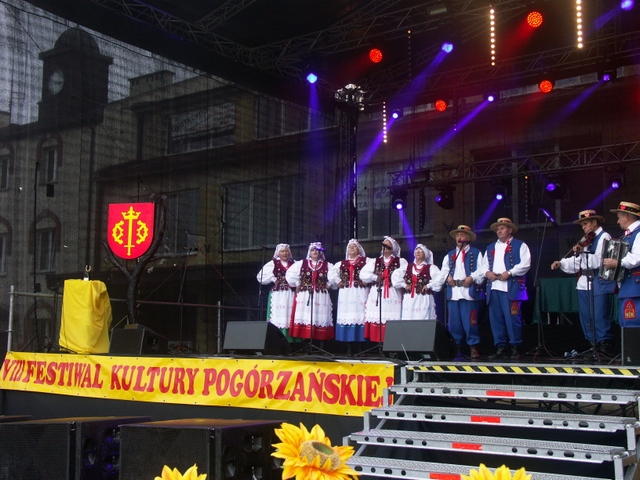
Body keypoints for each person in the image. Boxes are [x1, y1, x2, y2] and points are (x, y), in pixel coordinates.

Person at [551, 210, 615, 355]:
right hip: (584, 281)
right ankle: (593, 344)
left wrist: (581, 252)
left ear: (594, 222)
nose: (583, 227)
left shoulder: (604, 237)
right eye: (582, 225)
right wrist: (562, 263)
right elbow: (578, 261)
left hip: (598, 279)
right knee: (586, 316)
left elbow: (599, 260)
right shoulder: (586, 240)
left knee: (599, 314)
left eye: (585, 224)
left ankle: (604, 344)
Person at [483, 217, 531, 360]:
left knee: (513, 318)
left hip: (511, 288)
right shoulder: (490, 247)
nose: (499, 231)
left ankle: (516, 347)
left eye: (502, 228)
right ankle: (501, 347)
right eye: (498, 229)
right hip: (494, 288)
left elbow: (525, 264)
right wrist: (487, 273)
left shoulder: (520, 245)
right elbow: (483, 266)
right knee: (496, 319)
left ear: (510, 230)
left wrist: (509, 273)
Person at [436, 225, 485, 359]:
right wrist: (448, 278)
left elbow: (482, 270)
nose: (459, 237)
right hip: (454, 292)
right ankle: (456, 347)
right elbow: (444, 270)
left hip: (468, 292)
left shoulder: (476, 253)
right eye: (457, 235)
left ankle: (473, 346)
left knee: (470, 322)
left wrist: (472, 277)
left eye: (462, 235)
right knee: (454, 323)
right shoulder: (450, 255)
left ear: (468, 238)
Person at [360, 236, 407, 342]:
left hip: (392, 292)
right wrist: (375, 277)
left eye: (388, 245)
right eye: (384, 244)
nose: (385, 246)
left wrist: (395, 279)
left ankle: (391, 341)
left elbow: (405, 273)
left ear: (393, 248)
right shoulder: (375, 261)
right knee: (378, 314)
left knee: (392, 315)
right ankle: (378, 343)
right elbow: (363, 274)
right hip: (378, 292)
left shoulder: (400, 261)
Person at [329, 239, 372, 352]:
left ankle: (361, 347)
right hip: (346, 293)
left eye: (354, 246)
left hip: (360, 293)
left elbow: (373, 271)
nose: (352, 248)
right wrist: (338, 281)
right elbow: (331, 273)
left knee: (360, 316)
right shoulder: (341, 263)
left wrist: (367, 280)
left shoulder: (367, 261)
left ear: (359, 249)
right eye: (350, 247)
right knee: (347, 316)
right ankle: (349, 347)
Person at [285, 242, 335, 341]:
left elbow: (334, 275)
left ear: (321, 252)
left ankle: (320, 342)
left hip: (321, 295)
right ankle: (306, 342)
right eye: (312, 250)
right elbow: (290, 274)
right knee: (306, 316)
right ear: (309, 252)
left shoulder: (327, 265)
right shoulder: (302, 263)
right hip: (305, 295)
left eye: (317, 250)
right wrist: (297, 283)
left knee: (320, 317)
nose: (315, 252)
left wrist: (329, 284)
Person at [603, 201, 640, 329]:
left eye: (619, 218)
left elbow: (637, 257)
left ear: (627, 217)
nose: (618, 221)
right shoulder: (629, 235)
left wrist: (618, 263)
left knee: (633, 324)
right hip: (628, 287)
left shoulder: (638, 233)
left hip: (635, 287)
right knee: (626, 323)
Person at [256, 244, 296, 340]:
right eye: (282, 251)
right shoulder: (273, 263)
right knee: (278, 315)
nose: (285, 253)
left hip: (291, 294)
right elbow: (260, 276)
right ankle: (276, 339)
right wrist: (273, 279)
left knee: (290, 314)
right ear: (278, 253)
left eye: (286, 251)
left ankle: (291, 339)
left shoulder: (295, 263)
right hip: (278, 294)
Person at [391, 244, 441, 320]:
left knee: (423, 319)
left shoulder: (431, 268)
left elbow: (439, 279)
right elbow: (395, 275)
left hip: (423, 299)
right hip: (410, 299)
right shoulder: (407, 266)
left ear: (425, 254)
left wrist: (429, 285)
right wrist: (404, 285)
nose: (418, 252)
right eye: (416, 251)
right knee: (409, 319)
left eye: (421, 251)